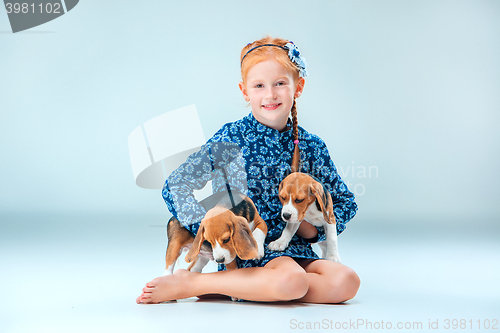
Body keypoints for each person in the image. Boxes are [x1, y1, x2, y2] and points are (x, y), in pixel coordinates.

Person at [137, 36, 360, 304]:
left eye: (280, 83)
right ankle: (192, 281)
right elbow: (176, 184)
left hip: (294, 249)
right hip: (247, 250)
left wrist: (313, 230)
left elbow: (345, 202)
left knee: (346, 282)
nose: (270, 94)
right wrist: (205, 228)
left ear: (298, 87)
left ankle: (243, 287)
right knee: (292, 280)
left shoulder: (311, 145)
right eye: (259, 86)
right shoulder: (231, 137)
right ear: (245, 91)